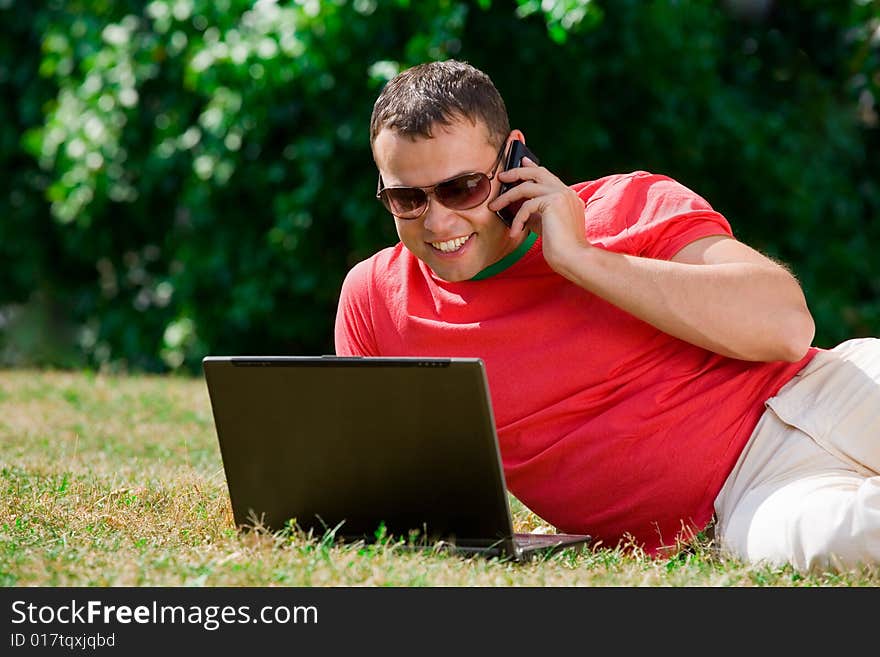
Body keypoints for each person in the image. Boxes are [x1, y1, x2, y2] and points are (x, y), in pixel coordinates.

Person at [334, 59, 880, 572]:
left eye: (461, 188)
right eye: (408, 199)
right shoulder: (376, 299)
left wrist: (582, 260)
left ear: (514, 158)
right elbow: (377, 487)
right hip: (750, 497)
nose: (438, 222)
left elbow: (787, 328)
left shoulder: (629, 202)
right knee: (851, 538)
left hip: (824, 388)